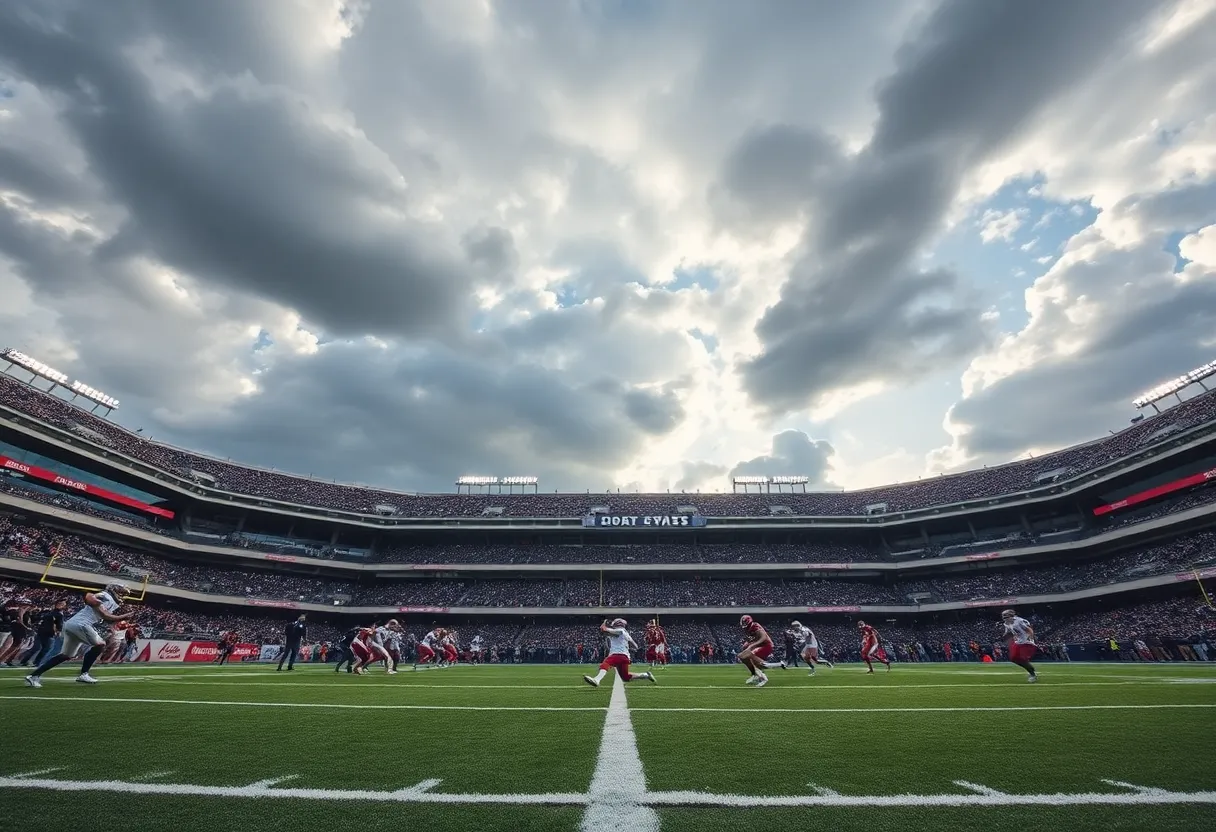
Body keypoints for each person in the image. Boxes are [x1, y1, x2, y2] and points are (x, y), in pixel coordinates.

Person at [25, 582, 132, 687]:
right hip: (81, 624)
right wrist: (123, 616)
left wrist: (120, 618)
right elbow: (101, 611)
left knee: (66, 655)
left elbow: (106, 617)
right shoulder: (105, 595)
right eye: (121, 592)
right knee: (100, 644)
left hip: (72, 625)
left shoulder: (110, 600)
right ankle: (84, 674)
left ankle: (34, 675)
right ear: (114, 589)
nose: (122, 595)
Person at [583, 618, 656, 687]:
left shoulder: (619, 631)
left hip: (618, 654)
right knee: (625, 677)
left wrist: (604, 621)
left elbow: (603, 629)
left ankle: (597, 679)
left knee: (606, 663)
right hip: (625, 657)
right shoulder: (626, 634)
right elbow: (635, 646)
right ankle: (646, 675)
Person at [20, 599, 66, 668]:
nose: (61, 605)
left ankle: (24, 661)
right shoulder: (58, 613)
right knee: (46, 648)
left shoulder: (49, 612)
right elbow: (59, 624)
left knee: (36, 648)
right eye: (60, 603)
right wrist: (58, 631)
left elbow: (40, 619)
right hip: (49, 633)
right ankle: (36, 662)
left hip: (41, 631)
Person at [737, 614, 779, 687]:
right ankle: (755, 675)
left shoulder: (755, 626)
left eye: (745, 623)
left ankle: (763, 677)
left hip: (766, 645)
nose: (744, 626)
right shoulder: (747, 629)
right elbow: (752, 639)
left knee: (752, 660)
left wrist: (752, 645)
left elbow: (763, 637)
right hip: (759, 645)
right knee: (742, 656)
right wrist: (748, 644)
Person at [1001, 609, 1039, 683]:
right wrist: (1004, 635)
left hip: (1027, 642)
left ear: (1012, 616)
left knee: (1021, 658)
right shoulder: (1006, 623)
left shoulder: (1019, 621)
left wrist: (1031, 639)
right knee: (1013, 658)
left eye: (1007, 617)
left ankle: (1033, 674)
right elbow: (1008, 632)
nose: (1005, 618)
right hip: (1018, 642)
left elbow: (1029, 630)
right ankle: (1030, 669)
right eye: (1004, 617)